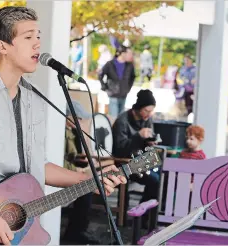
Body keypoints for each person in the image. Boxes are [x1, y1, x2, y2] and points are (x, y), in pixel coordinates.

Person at [0, 6, 126, 246]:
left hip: (18, 232)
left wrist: (87, 180)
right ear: (3, 47)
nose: (37, 44)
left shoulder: (33, 100)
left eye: (38, 36)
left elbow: (37, 167)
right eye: (28, 37)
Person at [112, 89, 160, 226]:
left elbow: (148, 141)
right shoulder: (123, 121)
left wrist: (150, 142)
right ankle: (141, 215)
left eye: (151, 111)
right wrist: (138, 136)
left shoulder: (147, 119)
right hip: (124, 161)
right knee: (154, 179)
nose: (149, 114)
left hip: (140, 159)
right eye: (146, 111)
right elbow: (119, 148)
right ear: (138, 108)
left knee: (163, 173)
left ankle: (144, 214)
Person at [61, 100, 101, 245]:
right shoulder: (60, 131)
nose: (79, 121)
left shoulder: (72, 131)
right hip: (63, 173)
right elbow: (58, 158)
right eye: (77, 118)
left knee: (90, 184)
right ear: (67, 116)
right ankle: (75, 231)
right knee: (86, 189)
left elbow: (76, 155)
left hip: (70, 169)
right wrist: (75, 169)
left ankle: (79, 228)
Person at [99, 45, 136, 118]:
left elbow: (133, 77)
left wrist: (128, 88)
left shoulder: (129, 65)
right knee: (113, 116)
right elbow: (100, 75)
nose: (129, 55)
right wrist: (105, 87)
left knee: (121, 117)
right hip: (113, 93)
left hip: (123, 93)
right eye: (127, 53)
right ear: (121, 53)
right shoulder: (110, 64)